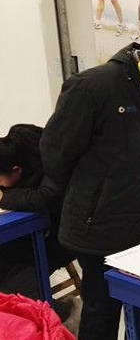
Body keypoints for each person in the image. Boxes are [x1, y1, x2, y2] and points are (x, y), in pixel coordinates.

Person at [40, 19, 140, 340]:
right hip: (102, 226)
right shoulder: (94, 86)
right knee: (101, 314)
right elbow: (55, 153)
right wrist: (98, 191)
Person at [0, 125, 75, 319]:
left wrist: (4, 198)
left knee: (13, 268)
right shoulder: (19, 150)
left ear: (17, 171)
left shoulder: (49, 171)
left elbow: (44, 200)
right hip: (34, 234)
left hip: (59, 236)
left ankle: (50, 312)